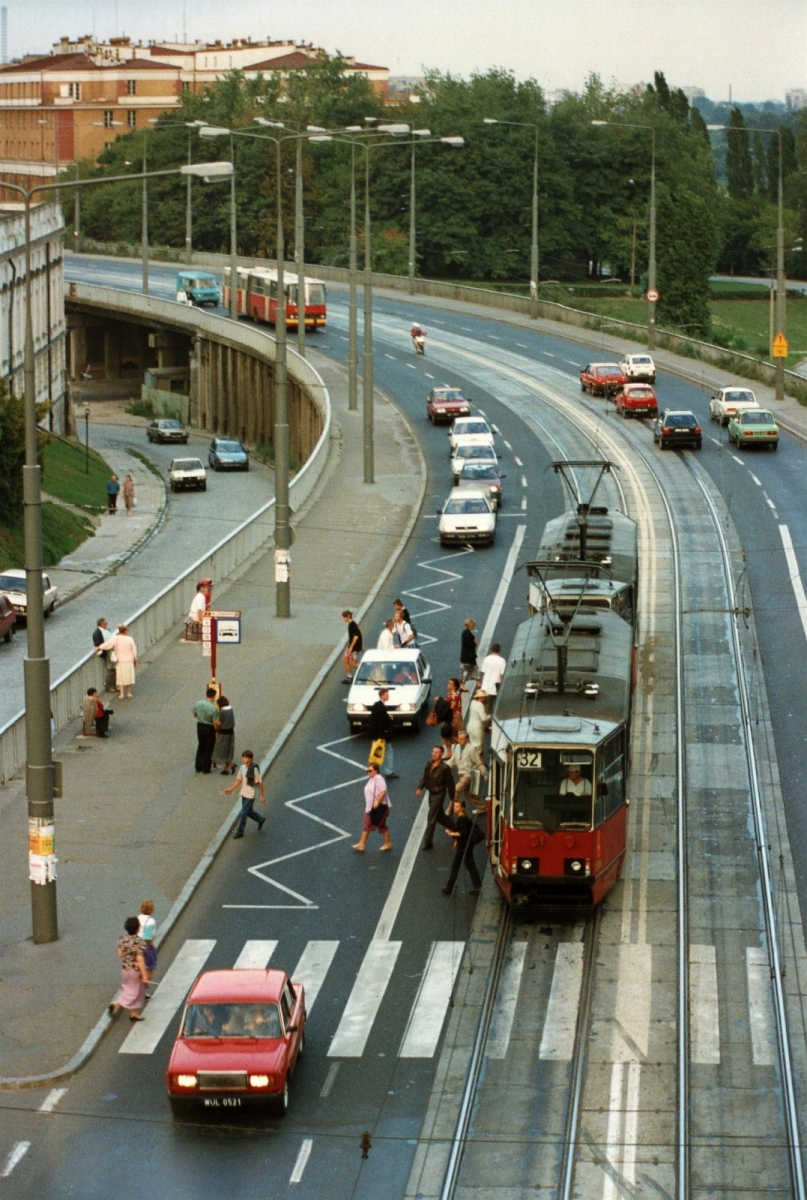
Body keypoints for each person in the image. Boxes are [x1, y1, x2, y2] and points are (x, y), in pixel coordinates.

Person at [416, 745, 456, 851]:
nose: (434, 754)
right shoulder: (429, 764)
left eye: (437, 752)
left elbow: (450, 783)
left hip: (439, 794)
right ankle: (456, 828)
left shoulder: (444, 768)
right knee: (439, 816)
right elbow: (424, 777)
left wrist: (452, 797)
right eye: (433, 751)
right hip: (431, 793)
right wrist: (420, 787)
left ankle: (428, 842)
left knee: (431, 817)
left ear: (441, 754)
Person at [109, 916, 148, 1022]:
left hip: (125, 969)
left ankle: (117, 1005)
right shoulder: (140, 942)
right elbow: (140, 960)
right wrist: (144, 976)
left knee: (128, 988)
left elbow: (120, 954)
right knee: (139, 991)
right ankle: (133, 1013)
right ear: (138, 928)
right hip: (135, 971)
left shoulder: (122, 939)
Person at [442, 797, 482, 896]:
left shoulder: (462, 818)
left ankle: (449, 888)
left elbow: (463, 832)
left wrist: (451, 834)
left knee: (456, 866)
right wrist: (456, 841)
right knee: (469, 865)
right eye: (454, 806)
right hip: (465, 845)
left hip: (464, 846)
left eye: (457, 806)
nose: (455, 808)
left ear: (462, 808)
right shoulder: (463, 817)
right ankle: (477, 886)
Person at [224, 750, 266, 838]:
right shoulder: (242, 768)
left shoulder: (254, 770)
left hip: (250, 795)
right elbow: (238, 780)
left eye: (246, 757)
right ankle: (260, 819)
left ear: (250, 759)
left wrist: (262, 795)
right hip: (244, 793)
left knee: (243, 813)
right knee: (248, 811)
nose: (244, 759)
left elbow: (260, 783)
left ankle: (240, 831)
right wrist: (230, 789)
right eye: (243, 757)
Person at [353, 761, 392, 852]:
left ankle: (387, 843)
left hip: (379, 807)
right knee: (369, 825)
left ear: (376, 771)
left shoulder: (378, 778)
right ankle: (361, 844)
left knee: (380, 825)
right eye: (367, 771)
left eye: (370, 771)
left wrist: (377, 801)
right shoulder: (372, 779)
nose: (368, 772)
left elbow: (383, 791)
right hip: (371, 808)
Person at [445, 730, 488, 808]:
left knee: (456, 790)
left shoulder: (471, 749)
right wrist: (444, 767)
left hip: (468, 775)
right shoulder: (457, 747)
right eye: (459, 739)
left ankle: (453, 808)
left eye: (461, 739)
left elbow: (478, 763)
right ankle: (483, 807)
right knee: (468, 794)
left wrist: (485, 774)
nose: (459, 741)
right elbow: (453, 760)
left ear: (467, 739)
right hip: (461, 774)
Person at [97, 623, 137, 700]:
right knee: (129, 677)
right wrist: (135, 659)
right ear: (125, 631)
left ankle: (121, 694)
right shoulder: (130, 639)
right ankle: (129, 693)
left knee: (120, 677)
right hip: (129, 660)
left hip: (120, 661)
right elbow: (134, 650)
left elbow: (107, 645)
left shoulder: (116, 638)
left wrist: (99, 647)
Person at [369, 687, 397, 778]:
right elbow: (380, 721)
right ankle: (388, 771)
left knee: (377, 752)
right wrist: (382, 734)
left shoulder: (378, 705)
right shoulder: (380, 706)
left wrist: (387, 716)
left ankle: (374, 771)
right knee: (384, 751)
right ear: (381, 695)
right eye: (386, 695)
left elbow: (376, 719)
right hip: (381, 735)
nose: (388, 696)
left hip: (377, 734)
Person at [192, 686, 219, 774]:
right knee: (209, 747)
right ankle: (206, 768)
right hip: (209, 727)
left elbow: (194, 715)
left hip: (200, 726)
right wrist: (217, 732)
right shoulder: (213, 708)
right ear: (214, 696)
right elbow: (215, 722)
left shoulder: (198, 703)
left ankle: (198, 766)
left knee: (201, 745)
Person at [213, 695, 236, 775]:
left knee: (221, 750)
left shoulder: (222, 711)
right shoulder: (230, 708)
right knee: (229, 750)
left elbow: (220, 723)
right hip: (231, 732)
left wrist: (215, 726)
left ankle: (231, 764)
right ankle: (226, 769)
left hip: (223, 733)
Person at [138, 900, 158, 987]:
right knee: (149, 969)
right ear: (151, 910)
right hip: (146, 946)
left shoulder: (138, 918)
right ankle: (142, 990)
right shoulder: (151, 921)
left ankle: (138, 990)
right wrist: (152, 947)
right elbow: (147, 937)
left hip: (137, 944)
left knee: (139, 968)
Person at [466, 688, 491, 753]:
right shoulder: (480, 705)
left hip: (470, 726)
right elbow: (484, 718)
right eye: (484, 697)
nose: (485, 698)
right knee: (479, 747)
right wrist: (491, 716)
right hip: (477, 728)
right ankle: (478, 761)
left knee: (471, 744)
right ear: (481, 697)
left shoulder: (472, 702)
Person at [342, 610, 362, 682]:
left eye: (344, 617)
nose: (343, 619)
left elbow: (356, 637)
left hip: (353, 648)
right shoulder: (352, 624)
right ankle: (349, 676)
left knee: (353, 664)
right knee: (345, 660)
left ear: (348, 617)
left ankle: (366, 670)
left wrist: (351, 648)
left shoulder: (352, 625)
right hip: (352, 647)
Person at [460, 619, 478, 685]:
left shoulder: (465, 633)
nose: (474, 626)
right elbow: (470, 645)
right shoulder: (468, 634)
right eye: (473, 625)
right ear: (470, 626)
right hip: (468, 656)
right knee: (466, 671)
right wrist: (475, 643)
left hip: (467, 656)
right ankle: (462, 684)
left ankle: (478, 682)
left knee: (474, 669)